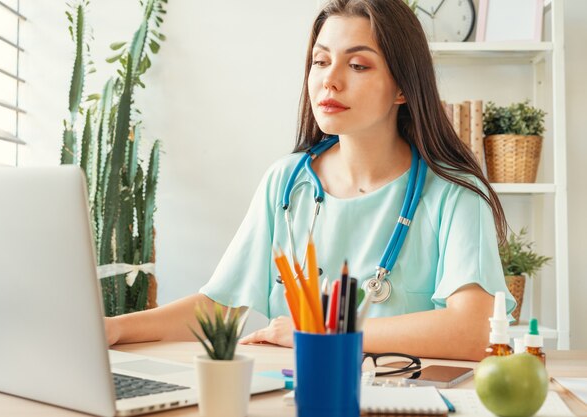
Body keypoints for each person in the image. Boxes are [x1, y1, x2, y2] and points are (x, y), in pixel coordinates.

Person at [105, 0, 515, 361]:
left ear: (402, 89)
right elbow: (220, 308)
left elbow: (475, 331)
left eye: (357, 65)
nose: (330, 80)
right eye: (320, 61)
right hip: (295, 392)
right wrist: (115, 328)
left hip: (401, 400)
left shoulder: (454, 191)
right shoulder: (287, 180)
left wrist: (322, 335)